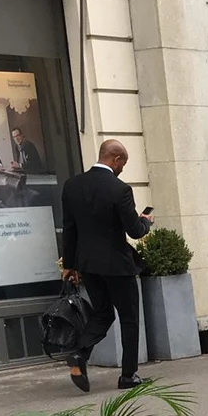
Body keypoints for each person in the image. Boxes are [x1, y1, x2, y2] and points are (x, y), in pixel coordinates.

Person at [60, 139, 152, 392]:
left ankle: (79, 354)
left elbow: (69, 229)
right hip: (117, 265)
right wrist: (146, 221)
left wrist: (69, 264)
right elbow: (134, 231)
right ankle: (128, 376)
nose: (122, 169)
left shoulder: (72, 186)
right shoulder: (120, 189)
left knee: (102, 313)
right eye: (123, 163)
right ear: (116, 160)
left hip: (87, 264)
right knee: (129, 317)